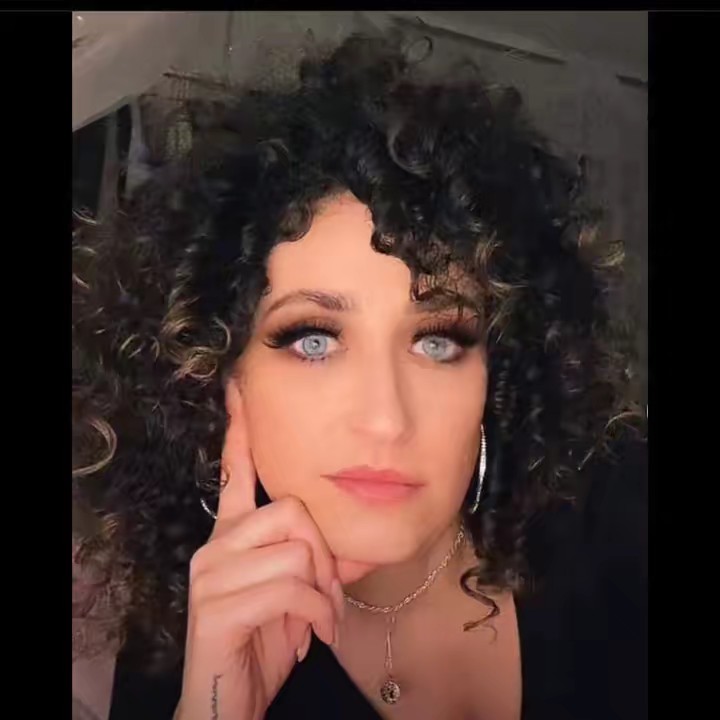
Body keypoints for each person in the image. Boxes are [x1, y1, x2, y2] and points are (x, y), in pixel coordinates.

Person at [72, 32, 647, 720]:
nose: (385, 418)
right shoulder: (189, 648)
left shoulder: (618, 520)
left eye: (437, 341)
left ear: (498, 372)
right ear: (217, 375)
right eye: (314, 340)